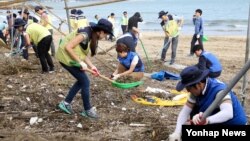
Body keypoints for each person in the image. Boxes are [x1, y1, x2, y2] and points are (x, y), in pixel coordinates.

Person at [168, 66, 247, 141]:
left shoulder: (219, 91)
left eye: (188, 88)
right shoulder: (196, 91)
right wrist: (177, 132)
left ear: (198, 84)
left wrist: (207, 120)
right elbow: (185, 112)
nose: (188, 91)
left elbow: (228, 113)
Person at [55, 19, 113, 119]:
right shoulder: (85, 34)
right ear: (101, 32)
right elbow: (68, 47)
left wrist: (92, 66)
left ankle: (65, 103)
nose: (105, 37)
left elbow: (81, 53)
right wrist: (80, 62)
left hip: (70, 57)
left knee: (82, 81)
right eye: (106, 35)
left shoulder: (91, 34)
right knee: (85, 82)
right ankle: (87, 110)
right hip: (66, 57)